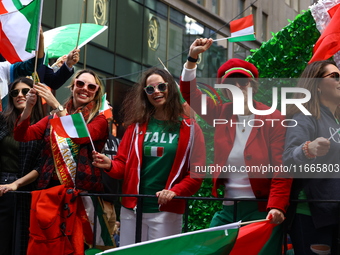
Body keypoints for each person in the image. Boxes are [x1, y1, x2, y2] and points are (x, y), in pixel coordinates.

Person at [180, 38, 292, 254]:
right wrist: (192, 59)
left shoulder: (274, 118)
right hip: (228, 209)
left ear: (253, 85)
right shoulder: (221, 113)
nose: (239, 87)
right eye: (232, 83)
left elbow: (282, 167)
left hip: (262, 210)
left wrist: (277, 205)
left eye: (244, 82)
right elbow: (190, 94)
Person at [92, 67, 205, 246]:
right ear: (145, 94)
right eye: (150, 89)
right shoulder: (135, 127)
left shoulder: (190, 129)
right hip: (132, 210)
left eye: (161, 86)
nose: (156, 92)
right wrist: (109, 165)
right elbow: (122, 165)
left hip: (166, 211)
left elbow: (196, 173)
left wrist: (175, 191)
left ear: (171, 88)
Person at [10, 69, 108, 254]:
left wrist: (56, 105)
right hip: (50, 193)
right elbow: (22, 135)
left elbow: (80, 137)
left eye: (91, 86)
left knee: (79, 247)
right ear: (72, 87)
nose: (84, 89)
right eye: (80, 84)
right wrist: (29, 108)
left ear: (96, 92)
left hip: (81, 196)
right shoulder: (51, 118)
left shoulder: (99, 120)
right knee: (48, 246)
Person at [283, 60, 340, 255]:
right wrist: (308, 149)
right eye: (334, 76)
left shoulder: (337, 120)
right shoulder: (304, 117)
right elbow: (288, 158)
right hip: (312, 215)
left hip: (335, 213)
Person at [0, 77, 45, 255]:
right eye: (15, 92)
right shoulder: (2, 121)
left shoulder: (43, 124)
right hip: (1, 187)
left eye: (25, 91)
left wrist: (17, 183)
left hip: (28, 190)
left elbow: (42, 164)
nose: (20, 95)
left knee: (22, 244)